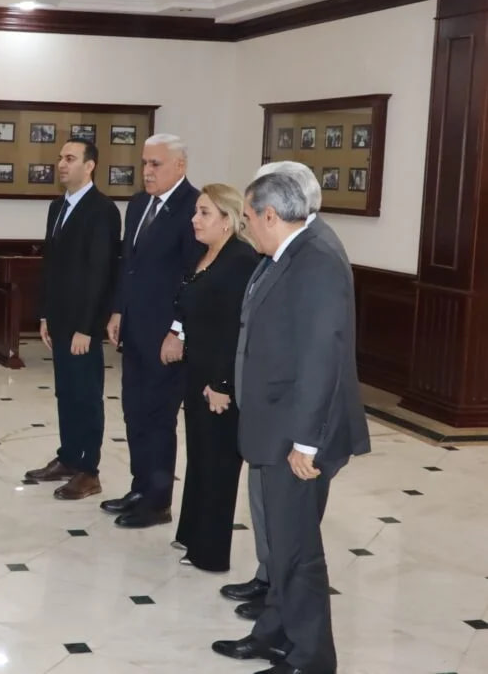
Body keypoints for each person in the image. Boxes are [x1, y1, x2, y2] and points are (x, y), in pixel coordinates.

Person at [212, 169, 370, 674]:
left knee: (298, 551)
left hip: (298, 434)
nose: (245, 228)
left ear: (270, 215)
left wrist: (306, 441)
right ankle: (274, 632)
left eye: (247, 218)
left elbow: (322, 357)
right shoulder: (286, 252)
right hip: (275, 425)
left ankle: (311, 659)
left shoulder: (316, 260)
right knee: (281, 543)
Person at [103, 133, 205, 528]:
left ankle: (158, 502)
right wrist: (118, 310)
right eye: (144, 163)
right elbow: (127, 264)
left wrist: (178, 331)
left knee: (159, 417)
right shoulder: (138, 204)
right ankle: (140, 487)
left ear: (180, 166)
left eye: (155, 164)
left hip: (166, 336)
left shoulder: (193, 208)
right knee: (134, 411)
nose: (147, 171)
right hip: (134, 329)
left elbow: (192, 277)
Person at [26, 139, 122, 500]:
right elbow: (51, 266)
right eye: (60, 158)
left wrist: (87, 327)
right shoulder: (57, 207)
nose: (61, 164)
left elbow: (100, 273)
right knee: (65, 391)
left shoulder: (102, 210)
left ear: (90, 165)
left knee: (86, 395)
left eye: (70, 158)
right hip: (60, 319)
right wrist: (45, 314)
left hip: (83, 324)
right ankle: (68, 457)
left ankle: (88, 470)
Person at [172, 184, 259, 572]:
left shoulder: (240, 260)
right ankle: (192, 534)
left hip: (221, 379)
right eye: (196, 211)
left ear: (228, 220)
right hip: (198, 371)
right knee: (200, 456)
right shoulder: (207, 254)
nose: (195, 219)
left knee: (219, 464)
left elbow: (238, 330)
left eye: (204, 212)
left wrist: (223, 383)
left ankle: (210, 552)